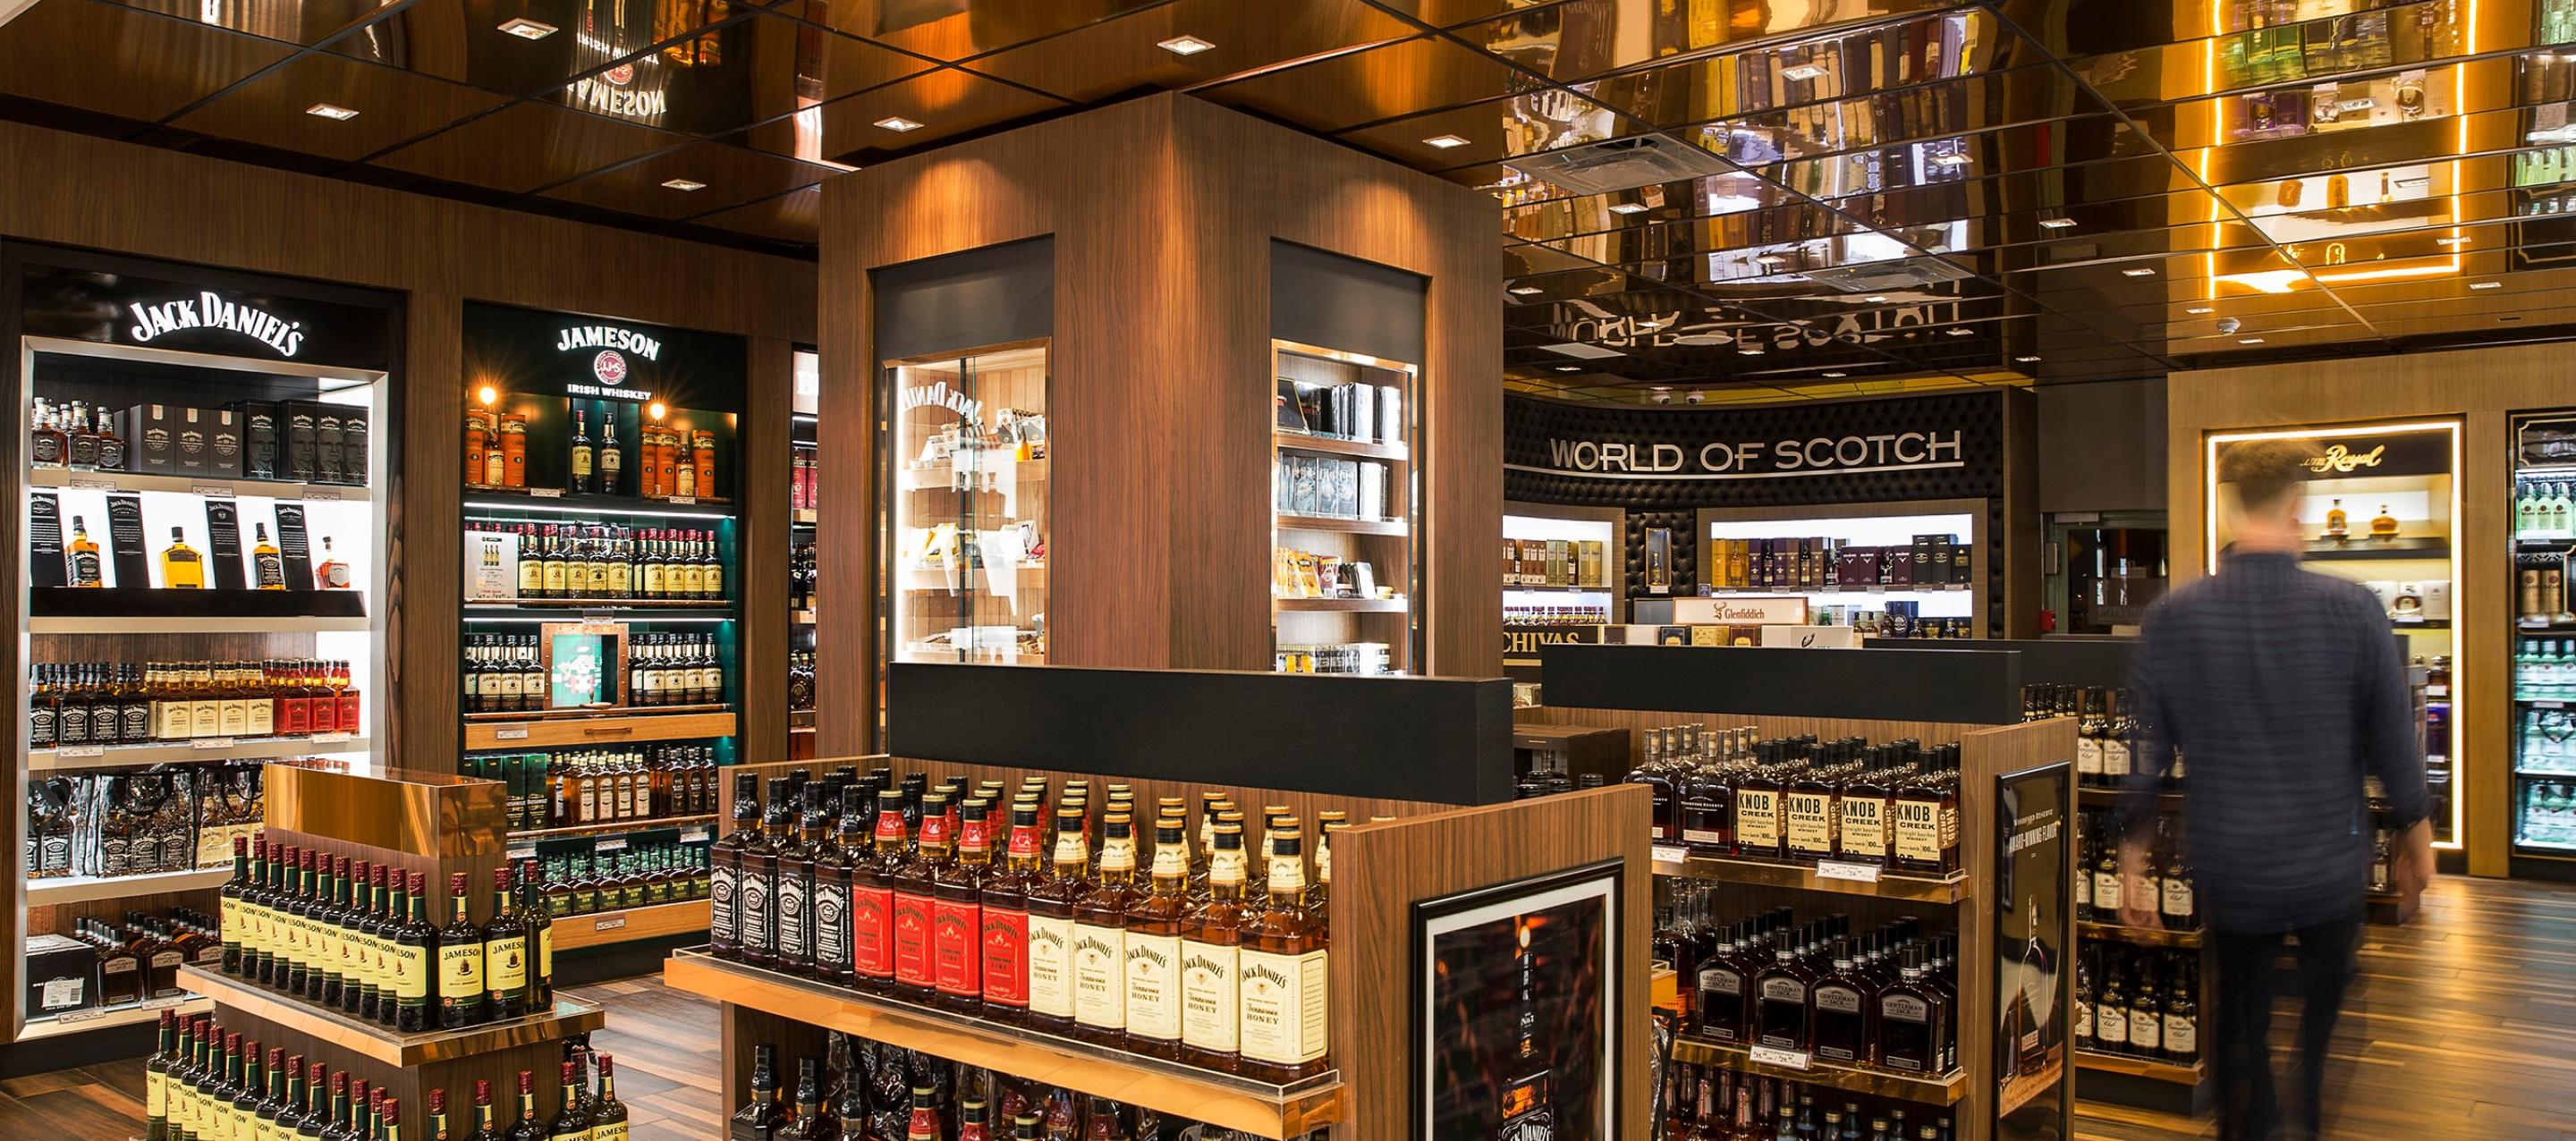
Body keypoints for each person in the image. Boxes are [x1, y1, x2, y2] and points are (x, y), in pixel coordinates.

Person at [2116, 438, 2433, 1141]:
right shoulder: (2353, 609)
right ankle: (2306, 1113)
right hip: (2329, 860)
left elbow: (2148, 750)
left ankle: (2251, 1118)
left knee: (2240, 1023)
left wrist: (2133, 853)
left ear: (2232, 508)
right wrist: (2416, 831)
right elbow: (2391, 740)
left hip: (2232, 861)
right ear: (2297, 508)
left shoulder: (2176, 615)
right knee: (2320, 1020)